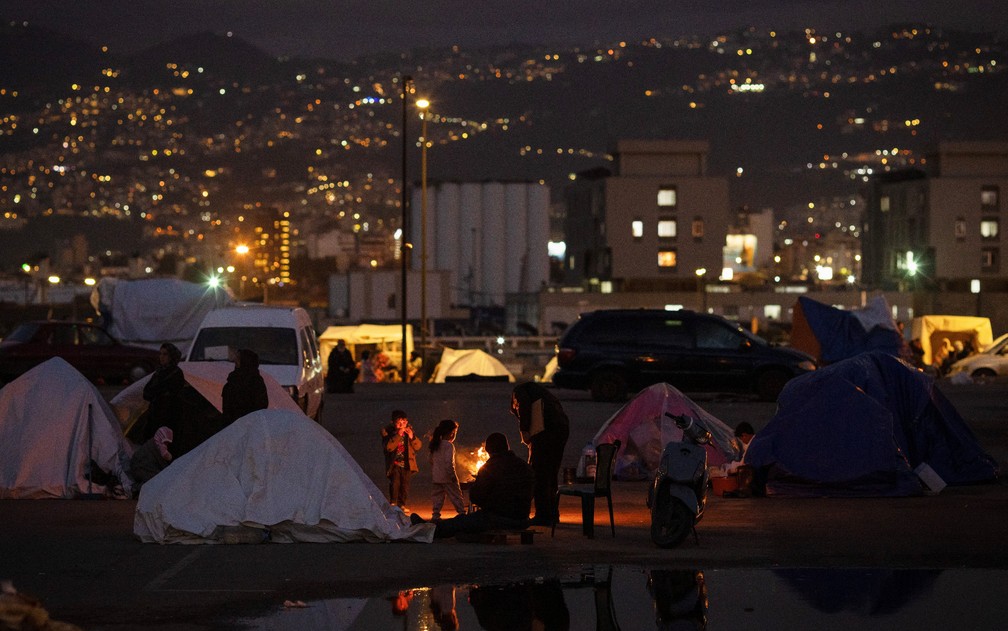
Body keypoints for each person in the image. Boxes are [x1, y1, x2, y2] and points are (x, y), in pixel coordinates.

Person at [411, 432, 535, 539]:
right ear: (507, 447)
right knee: (467, 521)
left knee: (462, 521)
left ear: (488, 450)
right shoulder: (524, 465)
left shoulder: (490, 467)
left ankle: (428, 529)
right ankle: (429, 527)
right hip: (522, 519)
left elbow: (476, 497)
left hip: (499, 518)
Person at [510, 382, 570, 526]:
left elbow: (524, 406)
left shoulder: (519, 392)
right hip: (561, 430)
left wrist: (524, 430)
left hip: (546, 433)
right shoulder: (542, 394)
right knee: (551, 474)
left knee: (539, 475)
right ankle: (553, 514)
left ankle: (543, 516)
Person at [137, 342, 186, 443]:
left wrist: (158, 392)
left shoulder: (176, 373)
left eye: (165, 354)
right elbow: (147, 392)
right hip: (155, 415)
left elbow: (172, 393)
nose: (162, 357)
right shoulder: (159, 372)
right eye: (161, 354)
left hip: (169, 417)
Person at [381, 409, 421, 512]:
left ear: (407, 422)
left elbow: (418, 447)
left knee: (405, 485)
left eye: (403, 422)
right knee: (395, 483)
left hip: (407, 463)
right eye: (398, 423)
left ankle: (402, 504)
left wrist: (412, 437)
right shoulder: (388, 433)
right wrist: (398, 435)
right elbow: (389, 447)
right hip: (394, 463)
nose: (401, 425)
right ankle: (393, 503)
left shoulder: (409, 432)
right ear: (393, 423)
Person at [429, 419, 467, 520]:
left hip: (436, 477)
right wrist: (453, 476)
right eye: (455, 432)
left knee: (437, 497)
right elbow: (449, 463)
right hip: (447, 477)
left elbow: (431, 460)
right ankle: (462, 513)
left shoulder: (435, 444)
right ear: (451, 433)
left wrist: (436, 471)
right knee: (456, 495)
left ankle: (435, 515)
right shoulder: (449, 446)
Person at [221, 348, 269, 425]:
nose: (235, 361)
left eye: (238, 359)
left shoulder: (255, 382)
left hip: (250, 424)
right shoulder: (233, 379)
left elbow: (260, 406)